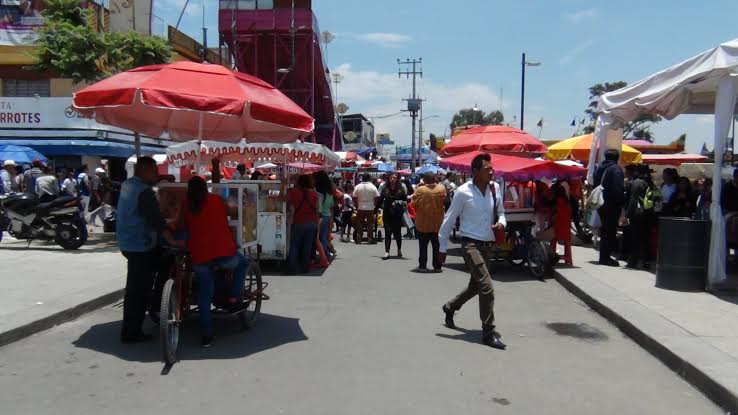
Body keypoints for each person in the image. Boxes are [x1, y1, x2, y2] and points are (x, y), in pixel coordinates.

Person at [439, 153, 507, 350]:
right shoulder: (462, 192)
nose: (492, 171)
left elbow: (502, 213)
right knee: (487, 287)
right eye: (488, 169)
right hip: (470, 245)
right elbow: (449, 219)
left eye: (492, 168)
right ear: (476, 171)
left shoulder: (495, 189)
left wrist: (501, 224)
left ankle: (450, 306)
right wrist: (442, 248)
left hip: (488, 245)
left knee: (475, 287)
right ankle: (488, 332)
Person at [180, 176, 248, 347]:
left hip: (200, 257)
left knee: (205, 295)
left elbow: (182, 226)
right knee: (243, 263)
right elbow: (234, 212)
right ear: (205, 188)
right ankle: (234, 298)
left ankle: (207, 336)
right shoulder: (216, 200)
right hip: (224, 254)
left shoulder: (186, 205)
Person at [116, 157, 176, 344]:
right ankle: (132, 332)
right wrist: (173, 241)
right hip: (139, 245)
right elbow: (156, 221)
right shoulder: (144, 191)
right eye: (154, 171)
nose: (157, 175)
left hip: (127, 242)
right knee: (138, 291)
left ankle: (157, 303)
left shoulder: (128, 184)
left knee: (157, 267)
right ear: (144, 171)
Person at [593, 149, 625, 267]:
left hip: (601, 203)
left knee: (605, 230)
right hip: (611, 205)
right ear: (617, 157)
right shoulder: (615, 169)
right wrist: (621, 204)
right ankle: (605, 257)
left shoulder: (599, 168)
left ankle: (604, 256)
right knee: (609, 231)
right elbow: (618, 189)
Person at [412, 172, 446, 273]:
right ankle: (437, 266)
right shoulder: (441, 188)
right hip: (437, 222)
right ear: (435, 179)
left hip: (423, 222)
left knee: (423, 247)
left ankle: (422, 265)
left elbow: (413, 202)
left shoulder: (421, 190)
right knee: (436, 246)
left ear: (425, 180)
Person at [286, 174, 320, 274]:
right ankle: (305, 268)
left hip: (298, 222)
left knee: (295, 246)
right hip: (312, 223)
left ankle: (291, 269)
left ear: (299, 182)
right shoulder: (314, 194)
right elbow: (317, 211)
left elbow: (286, 203)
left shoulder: (294, 193)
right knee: (307, 246)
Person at [377, 172, 407, 259]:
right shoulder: (385, 188)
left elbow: (405, 200)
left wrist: (398, 202)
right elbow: (380, 200)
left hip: (397, 214)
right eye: (391, 178)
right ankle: (387, 252)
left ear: (397, 179)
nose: (392, 179)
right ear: (388, 179)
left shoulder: (401, 189)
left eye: (394, 178)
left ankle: (399, 249)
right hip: (387, 213)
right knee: (388, 232)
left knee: (397, 233)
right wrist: (376, 210)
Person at [625, 165, 649, 269]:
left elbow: (633, 200)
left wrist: (627, 215)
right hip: (646, 213)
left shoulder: (636, 183)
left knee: (635, 238)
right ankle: (644, 260)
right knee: (643, 238)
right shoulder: (648, 182)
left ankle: (633, 261)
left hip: (637, 213)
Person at [314, 171, 336, 259]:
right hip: (327, 215)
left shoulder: (318, 191)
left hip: (320, 216)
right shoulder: (329, 191)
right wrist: (332, 218)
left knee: (319, 238)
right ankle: (326, 253)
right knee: (324, 237)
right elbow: (331, 205)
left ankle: (325, 255)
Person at [353, 173, 380, 244]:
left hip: (360, 206)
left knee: (360, 222)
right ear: (369, 178)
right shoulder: (373, 187)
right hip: (370, 207)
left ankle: (359, 237)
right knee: (370, 223)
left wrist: (356, 206)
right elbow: (377, 197)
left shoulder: (358, 187)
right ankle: (370, 238)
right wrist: (374, 204)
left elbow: (354, 197)